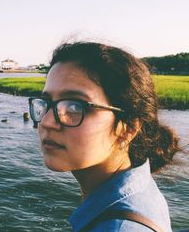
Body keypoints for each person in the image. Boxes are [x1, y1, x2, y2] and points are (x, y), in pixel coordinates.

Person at [29, 41, 181, 231]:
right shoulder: (136, 191)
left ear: (129, 128)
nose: (46, 122)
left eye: (76, 106)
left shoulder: (120, 226)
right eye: (46, 102)